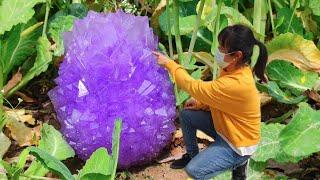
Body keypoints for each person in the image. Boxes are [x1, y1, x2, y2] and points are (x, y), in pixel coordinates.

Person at [153, 24, 268, 180]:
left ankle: (239, 163)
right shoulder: (232, 69)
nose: (218, 51)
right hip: (227, 128)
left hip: (238, 145)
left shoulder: (237, 83)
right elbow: (222, 100)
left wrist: (169, 64)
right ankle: (192, 155)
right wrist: (201, 104)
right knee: (187, 115)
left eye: (222, 48)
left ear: (237, 55)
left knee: (194, 171)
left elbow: (193, 86)